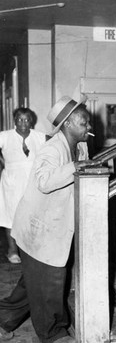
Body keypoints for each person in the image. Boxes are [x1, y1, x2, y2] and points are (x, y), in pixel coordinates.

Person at [0, 96, 101, 343]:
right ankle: (52, 332)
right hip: (39, 229)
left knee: (32, 285)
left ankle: (3, 317)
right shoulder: (52, 149)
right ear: (66, 124)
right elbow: (44, 182)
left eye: (88, 122)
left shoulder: (79, 146)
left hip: (50, 228)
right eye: (83, 122)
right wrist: (76, 166)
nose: (89, 127)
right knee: (52, 281)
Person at [0, 107, 46, 264]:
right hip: (11, 181)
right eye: (20, 119)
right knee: (10, 215)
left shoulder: (39, 137)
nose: (23, 123)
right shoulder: (5, 136)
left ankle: (31, 250)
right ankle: (12, 250)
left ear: (31, 121)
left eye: (27, 120)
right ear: (15, 120)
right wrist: (3, 163)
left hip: (32, 181)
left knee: (33, 215)